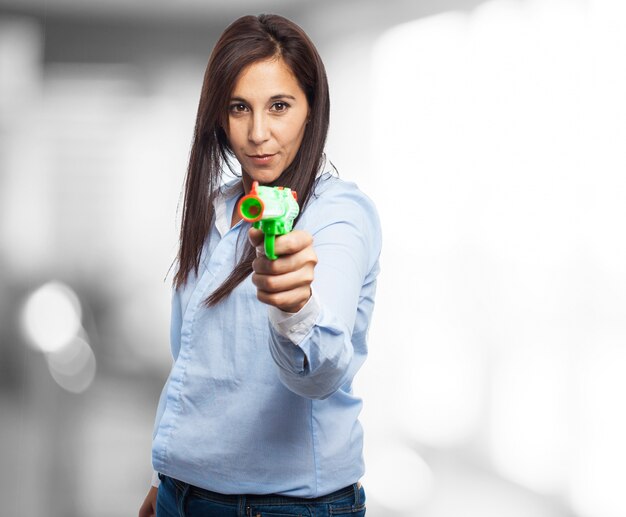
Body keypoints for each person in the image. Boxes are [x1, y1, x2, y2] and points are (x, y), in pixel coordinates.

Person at [139, 13, 381, 517]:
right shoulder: (217, 208)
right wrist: (167, 478)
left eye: (279, 106)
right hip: (182, 493)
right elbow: (193, 367)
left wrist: (295, 309)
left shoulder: (338, 215)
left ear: (312, 110)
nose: (257, 133)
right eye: (238, 108)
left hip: (280, 507)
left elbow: (322, 372)